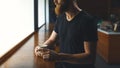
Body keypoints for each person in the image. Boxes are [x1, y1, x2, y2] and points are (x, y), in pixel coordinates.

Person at [35, 0, 98, 68]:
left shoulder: (88, 21)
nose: (55, 1)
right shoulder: (60, 18)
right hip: (62, 65)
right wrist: (42, 47)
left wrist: (59, 57)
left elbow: (90, 58)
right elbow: (52, 40)